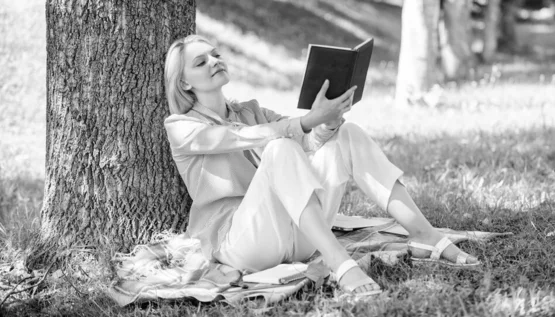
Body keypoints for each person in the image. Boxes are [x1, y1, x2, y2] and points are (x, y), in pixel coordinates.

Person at [163, 35, 480, 298]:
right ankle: (342, 265)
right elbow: (240, 138)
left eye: (215, 54)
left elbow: (308, 144)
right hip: (241, 246)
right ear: (185, 83)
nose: (215, 61)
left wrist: (327, 122)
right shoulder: (180, 126)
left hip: (298, 238)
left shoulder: (251, 110)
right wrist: (305, 121)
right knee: (280, 146)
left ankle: (424, 234)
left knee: (347, 134)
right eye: (201, 62)